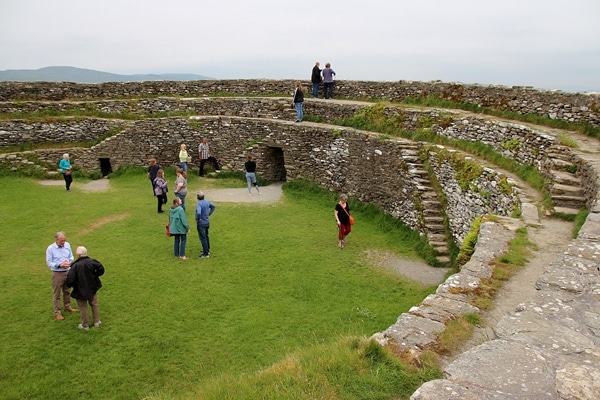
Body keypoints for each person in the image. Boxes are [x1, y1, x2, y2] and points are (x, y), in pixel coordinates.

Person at [65, 246, 105, 331]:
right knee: (94, 304)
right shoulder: (92, 262)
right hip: (92, 287)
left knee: (83, 307)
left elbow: (70, 279)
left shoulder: (75, 266)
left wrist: (69, 285)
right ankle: (96, 321)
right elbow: (101, 269)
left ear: (78, 255)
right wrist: (95, 275)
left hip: (80, 289)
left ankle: (85, 325)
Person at [45, 231, 77, 320]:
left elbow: (71, 256)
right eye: (61, 241)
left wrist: (70, 262)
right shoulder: (50, 249)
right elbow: (49, 262)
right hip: (57, 273)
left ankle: (67, 306)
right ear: (56, 240)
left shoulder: (67, 245)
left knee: (67, 291)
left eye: (64, 240)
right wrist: (59, 265)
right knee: (57, 294)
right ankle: (57, 312)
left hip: (68, 271)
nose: (63, 243)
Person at [195, 191, 216, 258]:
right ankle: (207, 249)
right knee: (206, 236)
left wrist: (198, 219)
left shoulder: (199, 204)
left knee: (203, 237)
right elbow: (213, 207)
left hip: (201, 223)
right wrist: (209, 214)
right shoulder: (207, 201)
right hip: (207, 222)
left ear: (197, 197)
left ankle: (205, 253)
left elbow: (198, 213)